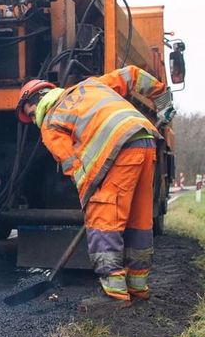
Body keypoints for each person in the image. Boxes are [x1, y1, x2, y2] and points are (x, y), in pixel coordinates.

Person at [17, 66, 171, 306]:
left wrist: (90, 198)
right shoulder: (91, 85)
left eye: (30, 112)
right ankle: (138, 287)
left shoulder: (50, 122)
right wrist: (162, 99)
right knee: (138, 220)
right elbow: (131, 74)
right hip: (144, 141)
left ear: (36, 102)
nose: (33, 117)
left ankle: (115, 296)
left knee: (103, 221)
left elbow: (74, 165)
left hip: (117, 154)